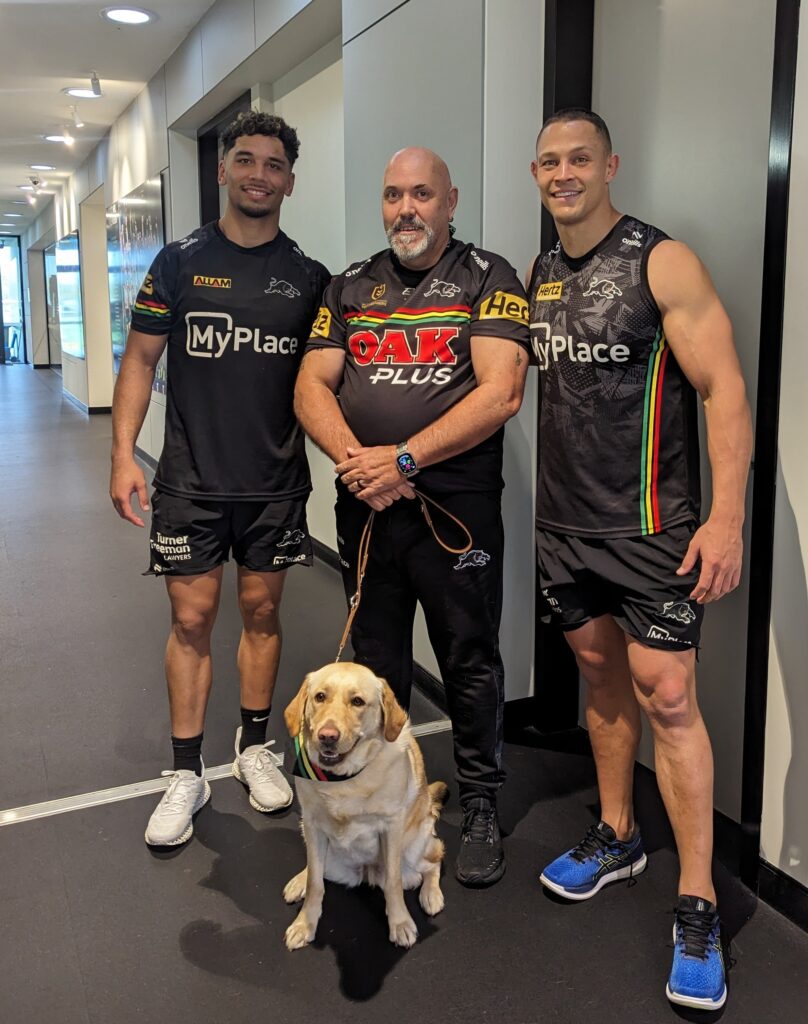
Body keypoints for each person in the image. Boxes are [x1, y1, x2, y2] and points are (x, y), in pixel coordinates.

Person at [527, 108, 752, 1010]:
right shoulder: (540, 272)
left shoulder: (662, 260)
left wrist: (726, 518)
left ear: (610, 164)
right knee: (598, 679)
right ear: (535, 173)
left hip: (654, 530)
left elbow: (723, 387)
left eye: (579, 158)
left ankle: (696, 899)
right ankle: (617, 832)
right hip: (564, 527)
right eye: (549, 161)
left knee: (669, 697)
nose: (564, 173)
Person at [294, 147, 530, 887]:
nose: (406, 208)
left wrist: (402, 460)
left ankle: (483, 801)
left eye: (422, 193)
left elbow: (500, 394)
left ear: (450, 200)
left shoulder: (489, 278)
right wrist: (358, 463)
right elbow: (310, 385)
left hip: (451, 510)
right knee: (374, 671)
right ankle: (375, 805)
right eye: (394, 194)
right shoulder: (351, 285)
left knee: (468, 659)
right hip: (366, 508)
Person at [110, 111, 330, 847]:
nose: (258, 174)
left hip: (273, 485)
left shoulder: (308, 279)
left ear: (289, 182)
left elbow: (328, 381)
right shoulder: (178, 262)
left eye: (273, 164)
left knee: (263, 617)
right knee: (192, 622)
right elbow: (139, 360)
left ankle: (253, 749)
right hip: (190, 483)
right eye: (246, 160)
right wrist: (120, 456)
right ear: (223, 170)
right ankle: (185, 773)